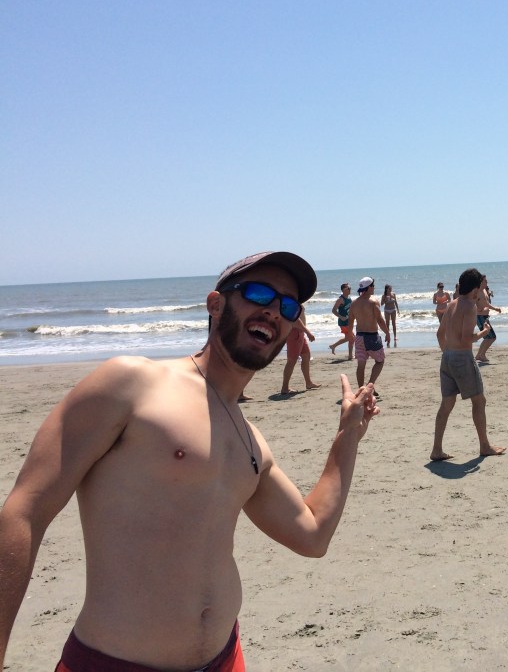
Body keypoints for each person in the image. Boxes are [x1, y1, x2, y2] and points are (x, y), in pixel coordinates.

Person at [0, 251, 378, 671]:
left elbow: (312, 535)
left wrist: (348, 434)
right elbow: (25, 511)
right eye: (259, 294)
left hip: (226, 658)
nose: (274, 310)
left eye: (289, 306)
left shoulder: (251, 442)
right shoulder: (132, 385)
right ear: (215, 304)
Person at [431, 268, 507, 462]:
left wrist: (447, 353)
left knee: (447, 404)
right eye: (480, 286)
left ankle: (436, 449)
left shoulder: (452, 304)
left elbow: (440, 334)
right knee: (479, 401)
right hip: (462, 358)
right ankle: (484, 446)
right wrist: (484, 332)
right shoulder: (470, 306)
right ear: (475, 288)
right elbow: (467, 338)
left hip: (447, 357)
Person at [349, 277, 391, 395]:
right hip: (372, 337)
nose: (374, 288)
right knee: (380, 361)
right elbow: (380, 320)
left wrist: (350, 333)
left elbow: (350, 320)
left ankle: (361, 390)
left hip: (359, 337)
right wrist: (387, 333)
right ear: (368, 288)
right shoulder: (373, 302)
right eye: (373, 286)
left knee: (361, 365)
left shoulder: (354, 303)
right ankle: (369, 386)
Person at [280, 305, 321, 394]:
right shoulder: (292, 303)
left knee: (306, 356)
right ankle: (285, 388)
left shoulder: (297, 301)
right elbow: (295, 320)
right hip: (295, 333)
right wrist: (308, 332)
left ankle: (308, 383)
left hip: (300, 333)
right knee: (291, 361)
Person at [474, 275, 501, 364]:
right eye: (485, 281)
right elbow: (472, 302)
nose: (487, 282)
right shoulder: (477, 291)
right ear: (481, 282)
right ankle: (481, 355)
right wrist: (477, 309)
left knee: (487, 337)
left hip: (485, 317)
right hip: (480, 317)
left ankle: (479, 355)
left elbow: (486, 303)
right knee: (491, 337)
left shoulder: (484, 290)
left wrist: (495, 309)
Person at [328, 283, 354, 360]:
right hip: (343, 322)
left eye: (350, 288)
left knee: (349, 338)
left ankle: (333, 346)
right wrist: (341, 317)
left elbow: (350, 309)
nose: (350, 289)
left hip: (349, 321)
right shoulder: (340, 299)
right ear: (343, 290)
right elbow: (333, 310)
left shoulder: (349, 298)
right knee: (351, 338)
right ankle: (350, 355)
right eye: (348, 288)